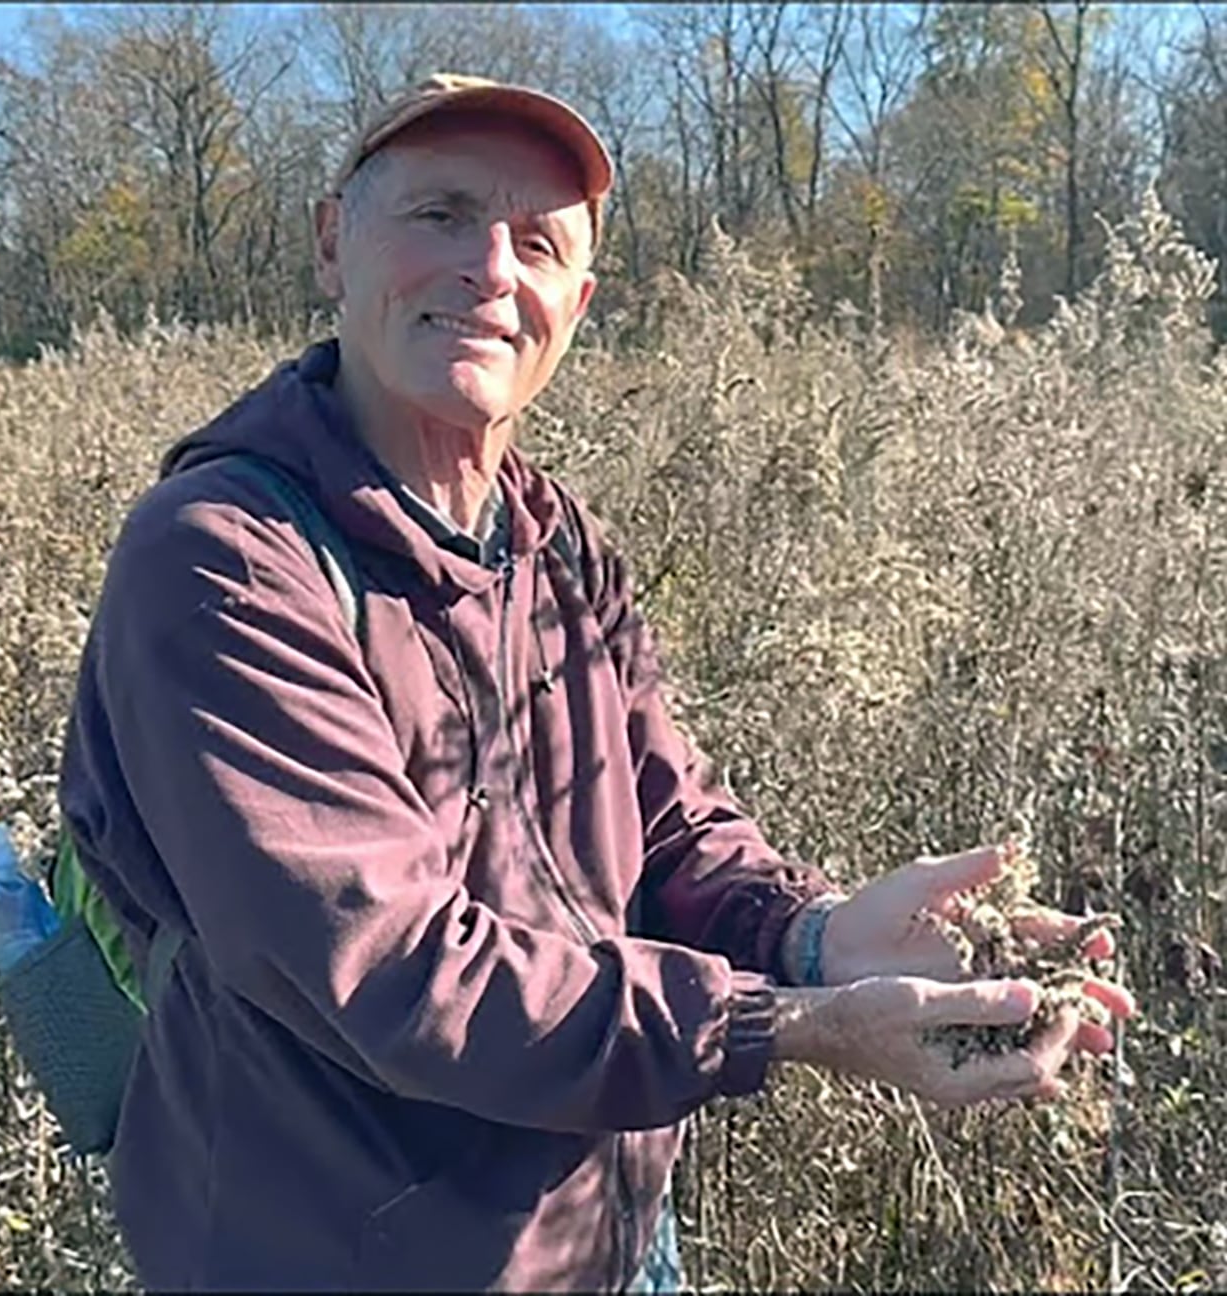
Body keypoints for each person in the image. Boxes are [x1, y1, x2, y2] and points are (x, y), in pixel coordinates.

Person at [56, 73, 1135, 1293]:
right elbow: (394, 971)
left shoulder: (554, 538)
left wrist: (821, 935)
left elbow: (666, 824)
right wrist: (796, 1023)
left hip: (605, 1239)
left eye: (537, 242)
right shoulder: (225, 561)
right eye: (441, 216)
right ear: (330, 243)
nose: (489, 272)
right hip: (341, 1253)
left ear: (580, 298)